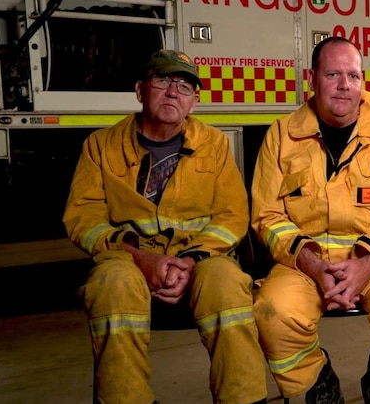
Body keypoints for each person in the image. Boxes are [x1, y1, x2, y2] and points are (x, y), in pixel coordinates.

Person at [62, 49, 268, 404]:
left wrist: (190, 261)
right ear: (141, 90)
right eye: (163, 80)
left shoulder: (215, 145)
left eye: (185, 87)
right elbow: (84, 218)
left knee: (228, 286)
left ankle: (244, 400)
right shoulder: (99, 146)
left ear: (194, 102)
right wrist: (141, 259)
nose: (173, 92)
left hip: (202, 259)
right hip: (126, 259)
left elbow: (232, 216)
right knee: (112, 286)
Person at [250, 36, 370, 404]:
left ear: (363, 81)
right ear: (312, 78)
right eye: (333, 74)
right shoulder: (281, 135)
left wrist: (366, 264)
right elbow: (267, 215)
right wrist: (312, 263)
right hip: (305, 262)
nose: (343, 85)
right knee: (273, 313)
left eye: (353, 75)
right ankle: (317, 378)